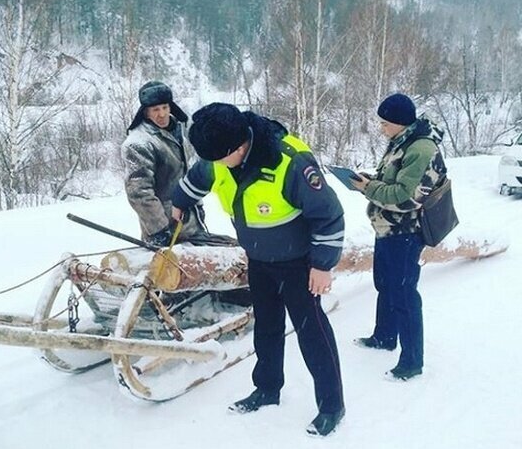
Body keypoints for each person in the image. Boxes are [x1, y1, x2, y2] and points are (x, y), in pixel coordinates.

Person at [171, 103, 345, 437]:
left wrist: (323, 266)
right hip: (259, 260)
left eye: (220, 158)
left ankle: (331, 406)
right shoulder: (219, 154)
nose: (214, 164)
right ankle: (267, 389)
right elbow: (198, 176)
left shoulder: (290, 162)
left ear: (240, 146)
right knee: (266, 328)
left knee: (313, 334)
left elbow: (329, 215)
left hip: (299, 264)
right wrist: (180, 201)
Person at [351, 92, 447, 381]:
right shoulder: (402, 140)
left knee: (404, 293)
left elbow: (405, 197)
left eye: (385, 123)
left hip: (407, 230)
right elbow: (392, 181)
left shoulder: (421, 149)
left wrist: (367, 189)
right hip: (387, 227)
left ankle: (411, 361)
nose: (381, 128)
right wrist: (369, 180)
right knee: (385, 284)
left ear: (399, 122)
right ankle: (384, 336)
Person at [122, 81, 234, 247]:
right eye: (155, 110)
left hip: (189, 224)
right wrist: (159, 230)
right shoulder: (137, 143)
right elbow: (139, 193)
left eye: (165, 107)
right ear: (145, 113)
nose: (161, 114)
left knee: (228, 254)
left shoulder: (177, 132)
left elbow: (185, 174)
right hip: (166, 231)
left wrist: (197, 205)